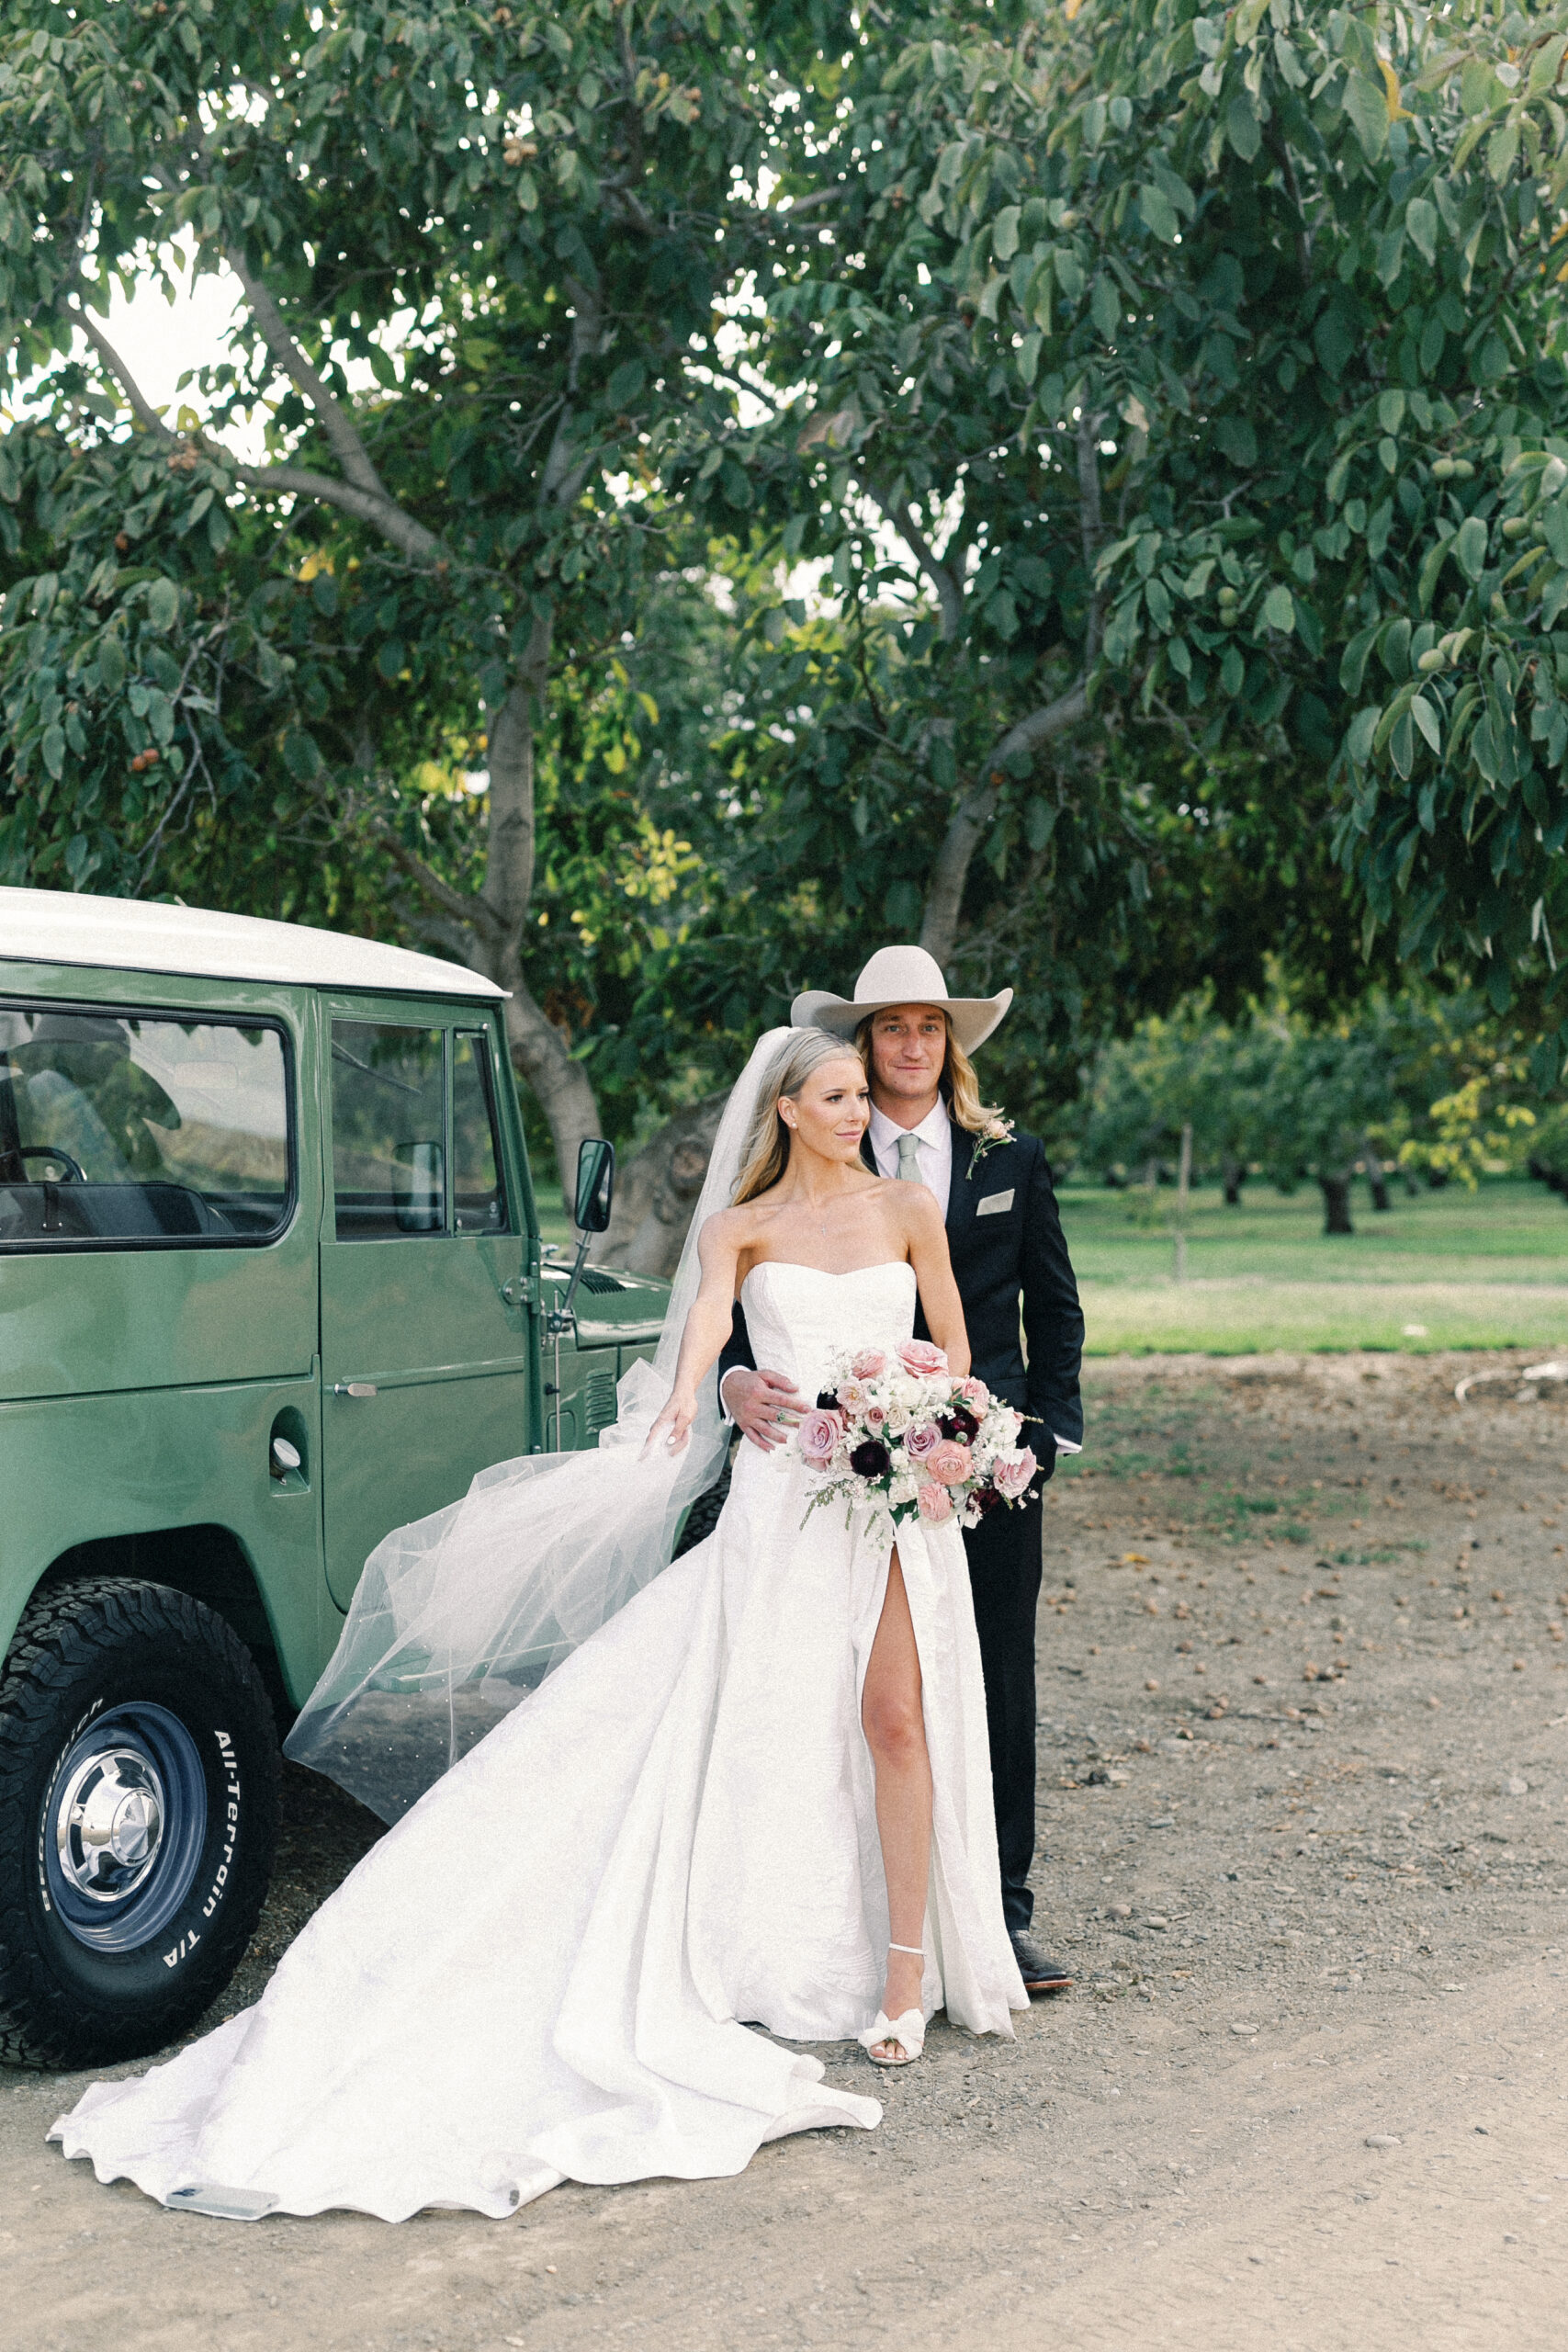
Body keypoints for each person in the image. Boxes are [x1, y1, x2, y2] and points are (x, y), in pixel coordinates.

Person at [50, 1027, 1026, 2224]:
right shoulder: (736, 1228)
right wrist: (707, 1394)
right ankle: (755, 1951)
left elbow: (955, 1355)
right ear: (780, 1109)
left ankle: (902, 1975)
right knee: (758, 1724)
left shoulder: (907, 1210)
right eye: (831, 1096)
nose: (851, 1112)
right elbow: (700, 1355)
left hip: (886, 1501)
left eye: (855, 1097)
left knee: (891, 1721)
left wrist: (935, 1428)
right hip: (785, 1502)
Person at [719, 948, 1085, 1994]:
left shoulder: (1007, 1158)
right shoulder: (815, 1154)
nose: (913, 1045)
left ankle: (999, 1915)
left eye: (931, 1026)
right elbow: (745, 1311)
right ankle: (840, 1908)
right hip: (839, 1470)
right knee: (850, 1686)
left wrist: (1045, 1432)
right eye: (892, 1028)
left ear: (950, 1043)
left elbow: (1054, 1307)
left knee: (993, 1677)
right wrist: (737, 1383)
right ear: (863, 1049)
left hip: (985, 1455)